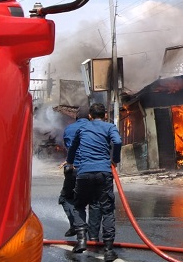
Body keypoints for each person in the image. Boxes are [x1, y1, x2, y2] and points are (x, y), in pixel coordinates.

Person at [67, 103, 122, 261]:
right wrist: (115, 159)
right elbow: (117, 142)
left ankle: (82, 240)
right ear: (104, 115)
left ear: (90, 116)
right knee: (107, 209)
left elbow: (73, 147)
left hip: (84, 173)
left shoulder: (82, 128)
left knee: (78, 205)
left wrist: (70, 162)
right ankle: (109, 250)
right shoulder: (110, 127)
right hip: (103, 172)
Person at [59, 107, 102, 241]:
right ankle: (94, 236)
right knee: (95, 201)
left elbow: (68, 147)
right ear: (90, 116)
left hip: (74, 169)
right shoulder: (95, 128)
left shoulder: (69, 129)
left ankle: (76, 226)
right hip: (94, 168)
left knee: (66, 198)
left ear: (76, 118)